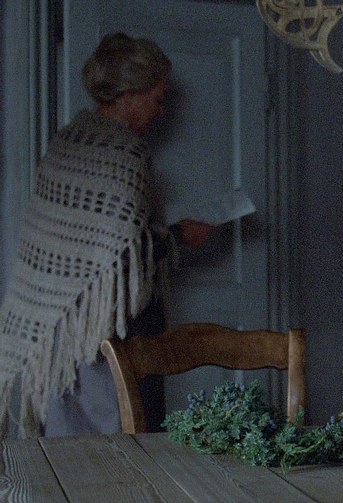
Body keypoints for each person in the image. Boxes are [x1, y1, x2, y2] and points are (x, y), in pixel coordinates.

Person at [0, 33, 213, 439]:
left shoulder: (63, 143)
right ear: (129, 93)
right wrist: (179, 236)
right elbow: (126, 254)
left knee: (68, 446)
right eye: (157, 98)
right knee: (128, 446)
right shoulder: (125, 155)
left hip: (62, 334)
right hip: (111, 331)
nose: (161, 111)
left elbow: (102, 245)